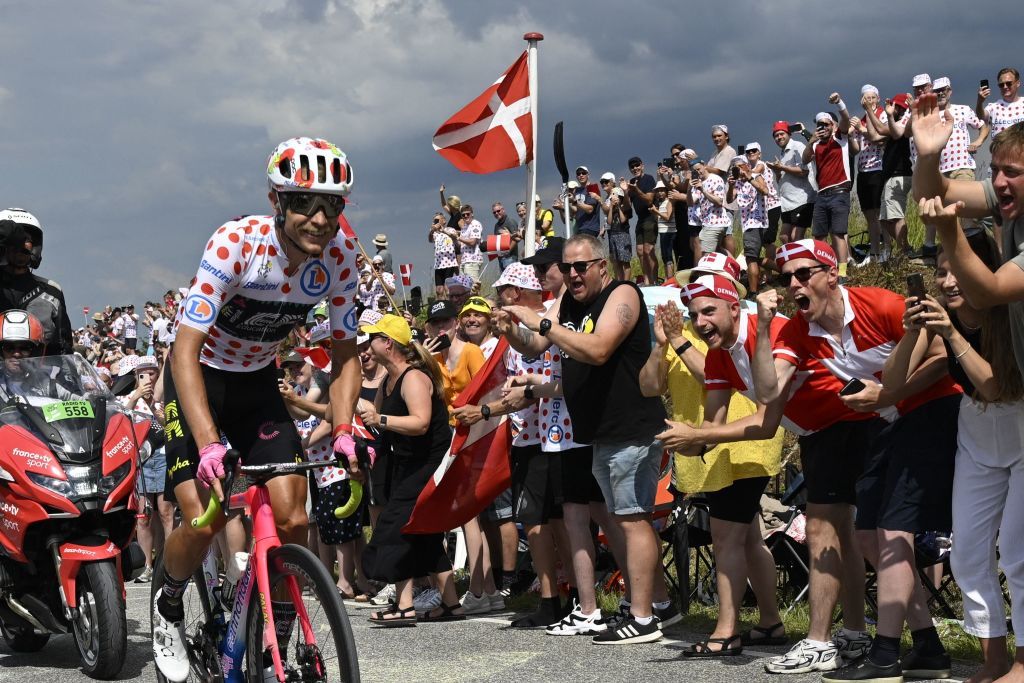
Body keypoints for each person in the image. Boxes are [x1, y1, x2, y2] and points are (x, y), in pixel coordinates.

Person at [152, 137, 363, 682]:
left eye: (332, 206)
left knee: (294, 518)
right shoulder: (235, 245)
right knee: (206, 519)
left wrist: (343, 427)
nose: (320, 218)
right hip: (199, 381)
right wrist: (206, 443)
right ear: (277, 201)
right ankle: (169, 602)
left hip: (256, 387)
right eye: (304, 204)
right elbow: (185, 350)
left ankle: (275, 639)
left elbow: (344, 354)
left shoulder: (340, 259)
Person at [754, 239, 961, 681]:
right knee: (870, 537)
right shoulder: (795, 329)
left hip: (935, 411)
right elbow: (769, 393)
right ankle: (927, 647)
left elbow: (943, 357)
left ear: (832, 274)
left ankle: (889, 652)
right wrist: (761, 326)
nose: (793, 285)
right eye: (786, 277)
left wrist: (889, 394)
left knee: (888, 532)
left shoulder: (880, 305)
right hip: (888, 426)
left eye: (803, 274)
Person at [498, 234, 669, 644]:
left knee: (632, 519)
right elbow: (537, 346)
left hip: (631, 426)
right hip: (597, 431)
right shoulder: (570, 303)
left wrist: (540, 321)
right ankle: (651, 606)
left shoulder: (621, 294)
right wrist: (511, 330)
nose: (573, 275)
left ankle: (645, 616)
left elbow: (598, 349)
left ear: (602, 266)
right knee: (621, 520)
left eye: (581, 266)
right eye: (569, 267)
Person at [889, 231, 1024, 683]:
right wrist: (913, 335)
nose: (947, 280)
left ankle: (1023, 663)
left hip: (1020, 423)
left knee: (1018, 555)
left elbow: (995, 386)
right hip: (978, 432)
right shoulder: (943, 318)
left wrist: (949, 333)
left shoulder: (1011, 315)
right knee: (966, 554)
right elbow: (891, 383)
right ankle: (994, 659)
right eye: (942, 269)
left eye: (958, 269)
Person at [641, 276, 785, 657]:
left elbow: (717, 374)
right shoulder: (680, 331)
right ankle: (770, 623)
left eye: (707, 306)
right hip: (710, 445)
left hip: (740, 443)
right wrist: (659, 346)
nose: (698, 313)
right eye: (693, 307)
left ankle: (727, 630)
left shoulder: (721, 333)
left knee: (726, 539)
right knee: (748, 539)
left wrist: (678, 340)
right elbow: (650, 387)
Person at [357, 314, 463, 625]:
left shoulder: (414, 377)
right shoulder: (388, 381)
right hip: (405, 463)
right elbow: (375, 420)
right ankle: (451, 604)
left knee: (396, 527)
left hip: (429, 464)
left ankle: (403, 606)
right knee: (425, 534)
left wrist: (381, 420)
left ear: (387, 343)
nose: (366, 344)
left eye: (372, 337)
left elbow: (420, 423)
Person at [910, 95, 1024, 377]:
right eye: (995, 169)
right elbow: (932, 193)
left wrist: (949, 230)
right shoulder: (1007, 198)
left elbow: (987, 294)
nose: (998, 182)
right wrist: (928, 156)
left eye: (1011, 172)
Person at [123, 355, 170, 584]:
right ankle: (147, 566)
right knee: (143, 516)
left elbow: (169, 428)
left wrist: (154, 405)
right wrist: (135, 397)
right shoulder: (129, 398)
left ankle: (169, 564)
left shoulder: (164, 398)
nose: (149, 378)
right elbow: (120, 420)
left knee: (166, 512)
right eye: (143, 373)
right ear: (136, 376)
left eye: (152, 372)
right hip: (141, 460)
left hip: (163, 457)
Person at [0, 208, 73, 354]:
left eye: (27, 240)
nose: (22, 245)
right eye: (16, 241)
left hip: (38, 375)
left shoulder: (51, 292)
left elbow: (63, 348)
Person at [802, 94, 858, 279]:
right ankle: (823, 268)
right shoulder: (816, 144)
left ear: (832, 126)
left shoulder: (840, 138)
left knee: (838, 233)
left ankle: (842, 271)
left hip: (840, 191)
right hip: (822, 194)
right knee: (819, 235)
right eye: (820, 125)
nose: (823, 128)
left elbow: (845, 119)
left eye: (826, 124)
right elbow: (804, 159)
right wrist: (810, 142)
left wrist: (839, 103)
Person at [850, 85, 888, 266]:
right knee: (869, 214)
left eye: (872, 98)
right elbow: (856, 149)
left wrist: (862, 129)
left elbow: (879, 137)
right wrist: (851, 135)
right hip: (863, 170)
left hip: (879, 167)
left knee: (881, 212)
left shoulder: (882, 115)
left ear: (878, 98)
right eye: (866, 99)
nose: (869, 101)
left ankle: (887, 248)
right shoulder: (862, 120)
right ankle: (874, 252)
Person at [726, 154, 770, 296]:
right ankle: (784, 270)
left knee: (750, 258)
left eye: (740, 166)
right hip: (748, 223)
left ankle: (753, 292)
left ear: (747, 166)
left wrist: (750, 178)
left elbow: (765, 191)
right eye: (735, 168)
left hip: (757, 222)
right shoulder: (738, 183)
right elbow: (730, 198)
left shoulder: (756, 176)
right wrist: (731, 185)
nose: (738, 170)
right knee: (755, 258)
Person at [766, 122, 816, 244]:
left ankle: (806, 258)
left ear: (789, 134)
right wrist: (777, 171)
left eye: (782, 134)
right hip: (787, 202)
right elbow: (781, 179)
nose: (779, 137)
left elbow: (803, 171)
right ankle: (795, 260)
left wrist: (782, 167)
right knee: (784, 237)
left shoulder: (797, 146)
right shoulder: (783, 153)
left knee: (796, 236)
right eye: (776, 135)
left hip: (802, 200)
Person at [622, 157, 658, 285]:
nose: (635, 168)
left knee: (649, 250)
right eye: (632, 167)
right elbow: (627, 207)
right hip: (640, 219)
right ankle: (647, 280)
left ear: (642, 166)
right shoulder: (631, 182)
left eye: (637, 165)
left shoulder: (648, 179)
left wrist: (636, 190)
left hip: (651, 216)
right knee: (640, 251)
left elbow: (649, 200)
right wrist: (626, 192)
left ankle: (654, 280)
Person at [690, 159, 730, 257]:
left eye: (699, 169)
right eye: (695, 171)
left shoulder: (716, 179)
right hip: (707, 222)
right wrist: (688, 189)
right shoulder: (698, 183)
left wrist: (703, 190)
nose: (698, 172)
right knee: (718, 251)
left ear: (704, 166)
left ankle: (705, 272)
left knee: (706, 255)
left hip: (715, 222)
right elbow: (691, 202)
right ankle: (738, 269)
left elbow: (719, 202)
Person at [601, 173, 633, 280]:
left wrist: (618, 206)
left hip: (623, 235)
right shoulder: (612, 208)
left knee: (625, 262)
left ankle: (626, 282)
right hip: (613, 235)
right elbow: (609, 222)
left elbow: (623, 219)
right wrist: (611, 207)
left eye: (617, 197)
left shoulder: (625, 207)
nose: (615, 199)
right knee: (617, 262)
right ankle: (619, 282)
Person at [428, 212, 459, 301]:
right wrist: (432, 230)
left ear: (444, 221)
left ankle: (450, 306)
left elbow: (455, 237)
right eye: (435, 220)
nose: (436, 222)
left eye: (438, 220)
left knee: (447, 288)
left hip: (449, 262)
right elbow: (430, 239)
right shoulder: (435, 233)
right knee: (439, 290)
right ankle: (442, 306)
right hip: (438, 263)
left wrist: (443, 230)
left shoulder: (450, 229)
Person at [650, 181, 676, 279]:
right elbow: (660, 219)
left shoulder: (669, 201)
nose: (660, 193)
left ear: (666, 191)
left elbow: (668, 217)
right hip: (663, 232)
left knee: (668, 255)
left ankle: (670, 278)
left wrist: (656, 211)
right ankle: (668, 277)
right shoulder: (661, 203)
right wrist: (655, 212)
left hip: (669, 232)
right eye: (658, 191)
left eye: (662, 190)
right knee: (665, 256)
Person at [456, 204, 483, 282]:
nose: (466, 216)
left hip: (473, 260)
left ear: (472, 214)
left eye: (468, 214)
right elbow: (462, 244)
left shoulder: (475, 224)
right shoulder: (464, 227)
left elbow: (472, 242)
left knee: (473, 287)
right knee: (464, 289)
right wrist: (454, 238)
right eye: (463, 215)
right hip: (464, 260)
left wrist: (459, 238)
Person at [491, 202, 522, 271]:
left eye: (498, 211)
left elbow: (516, 239)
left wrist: (508, 251)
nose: (496, 213)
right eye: (494, 212)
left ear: (503, 210)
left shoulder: (510, 221)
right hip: (501, 258)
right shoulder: (496, 225)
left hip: (510, 258)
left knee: (510, 280)